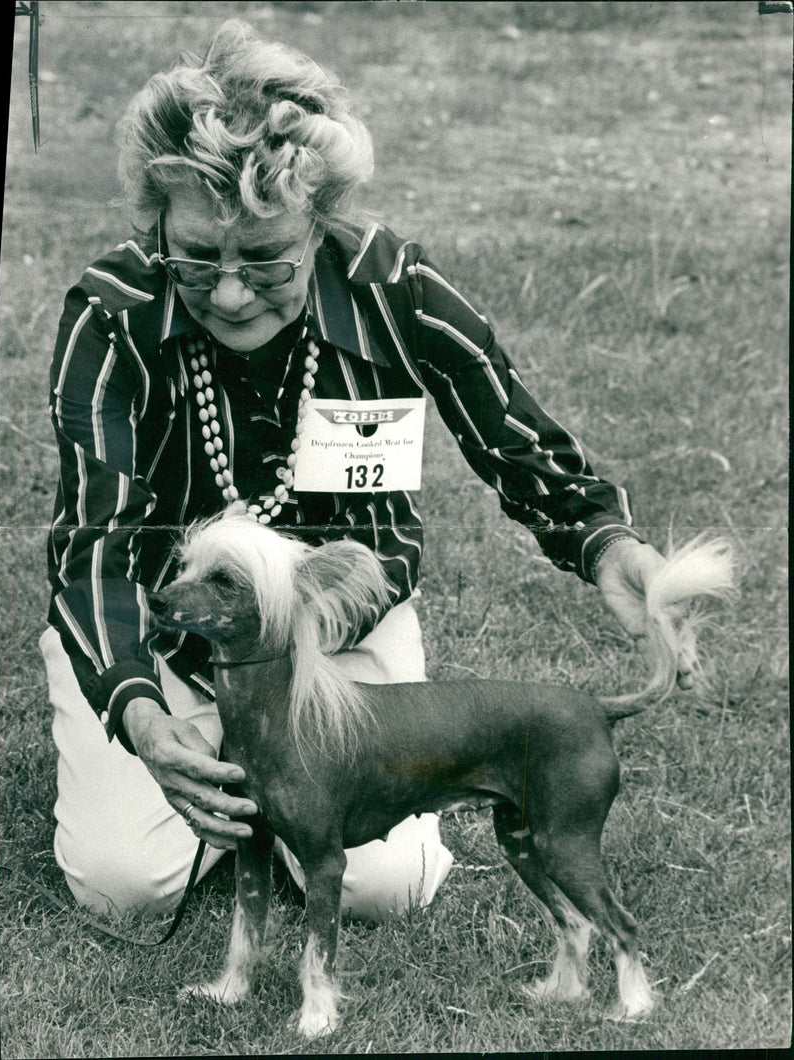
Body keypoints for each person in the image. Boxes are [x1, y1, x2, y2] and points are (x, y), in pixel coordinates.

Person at [44, 20, 689, 923]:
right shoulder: (110, 319)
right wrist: (141, 713)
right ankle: (205, 780)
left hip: (337, 635)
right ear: (155, 226)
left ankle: (276, 815)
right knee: (127, 888)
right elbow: (94, 547)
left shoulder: (398, 291)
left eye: (266, 257)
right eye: (197, 256)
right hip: (162, 635)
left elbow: (513, 434)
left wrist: (606, 539)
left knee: (385, 888)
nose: (230, 291)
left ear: (322, 223)